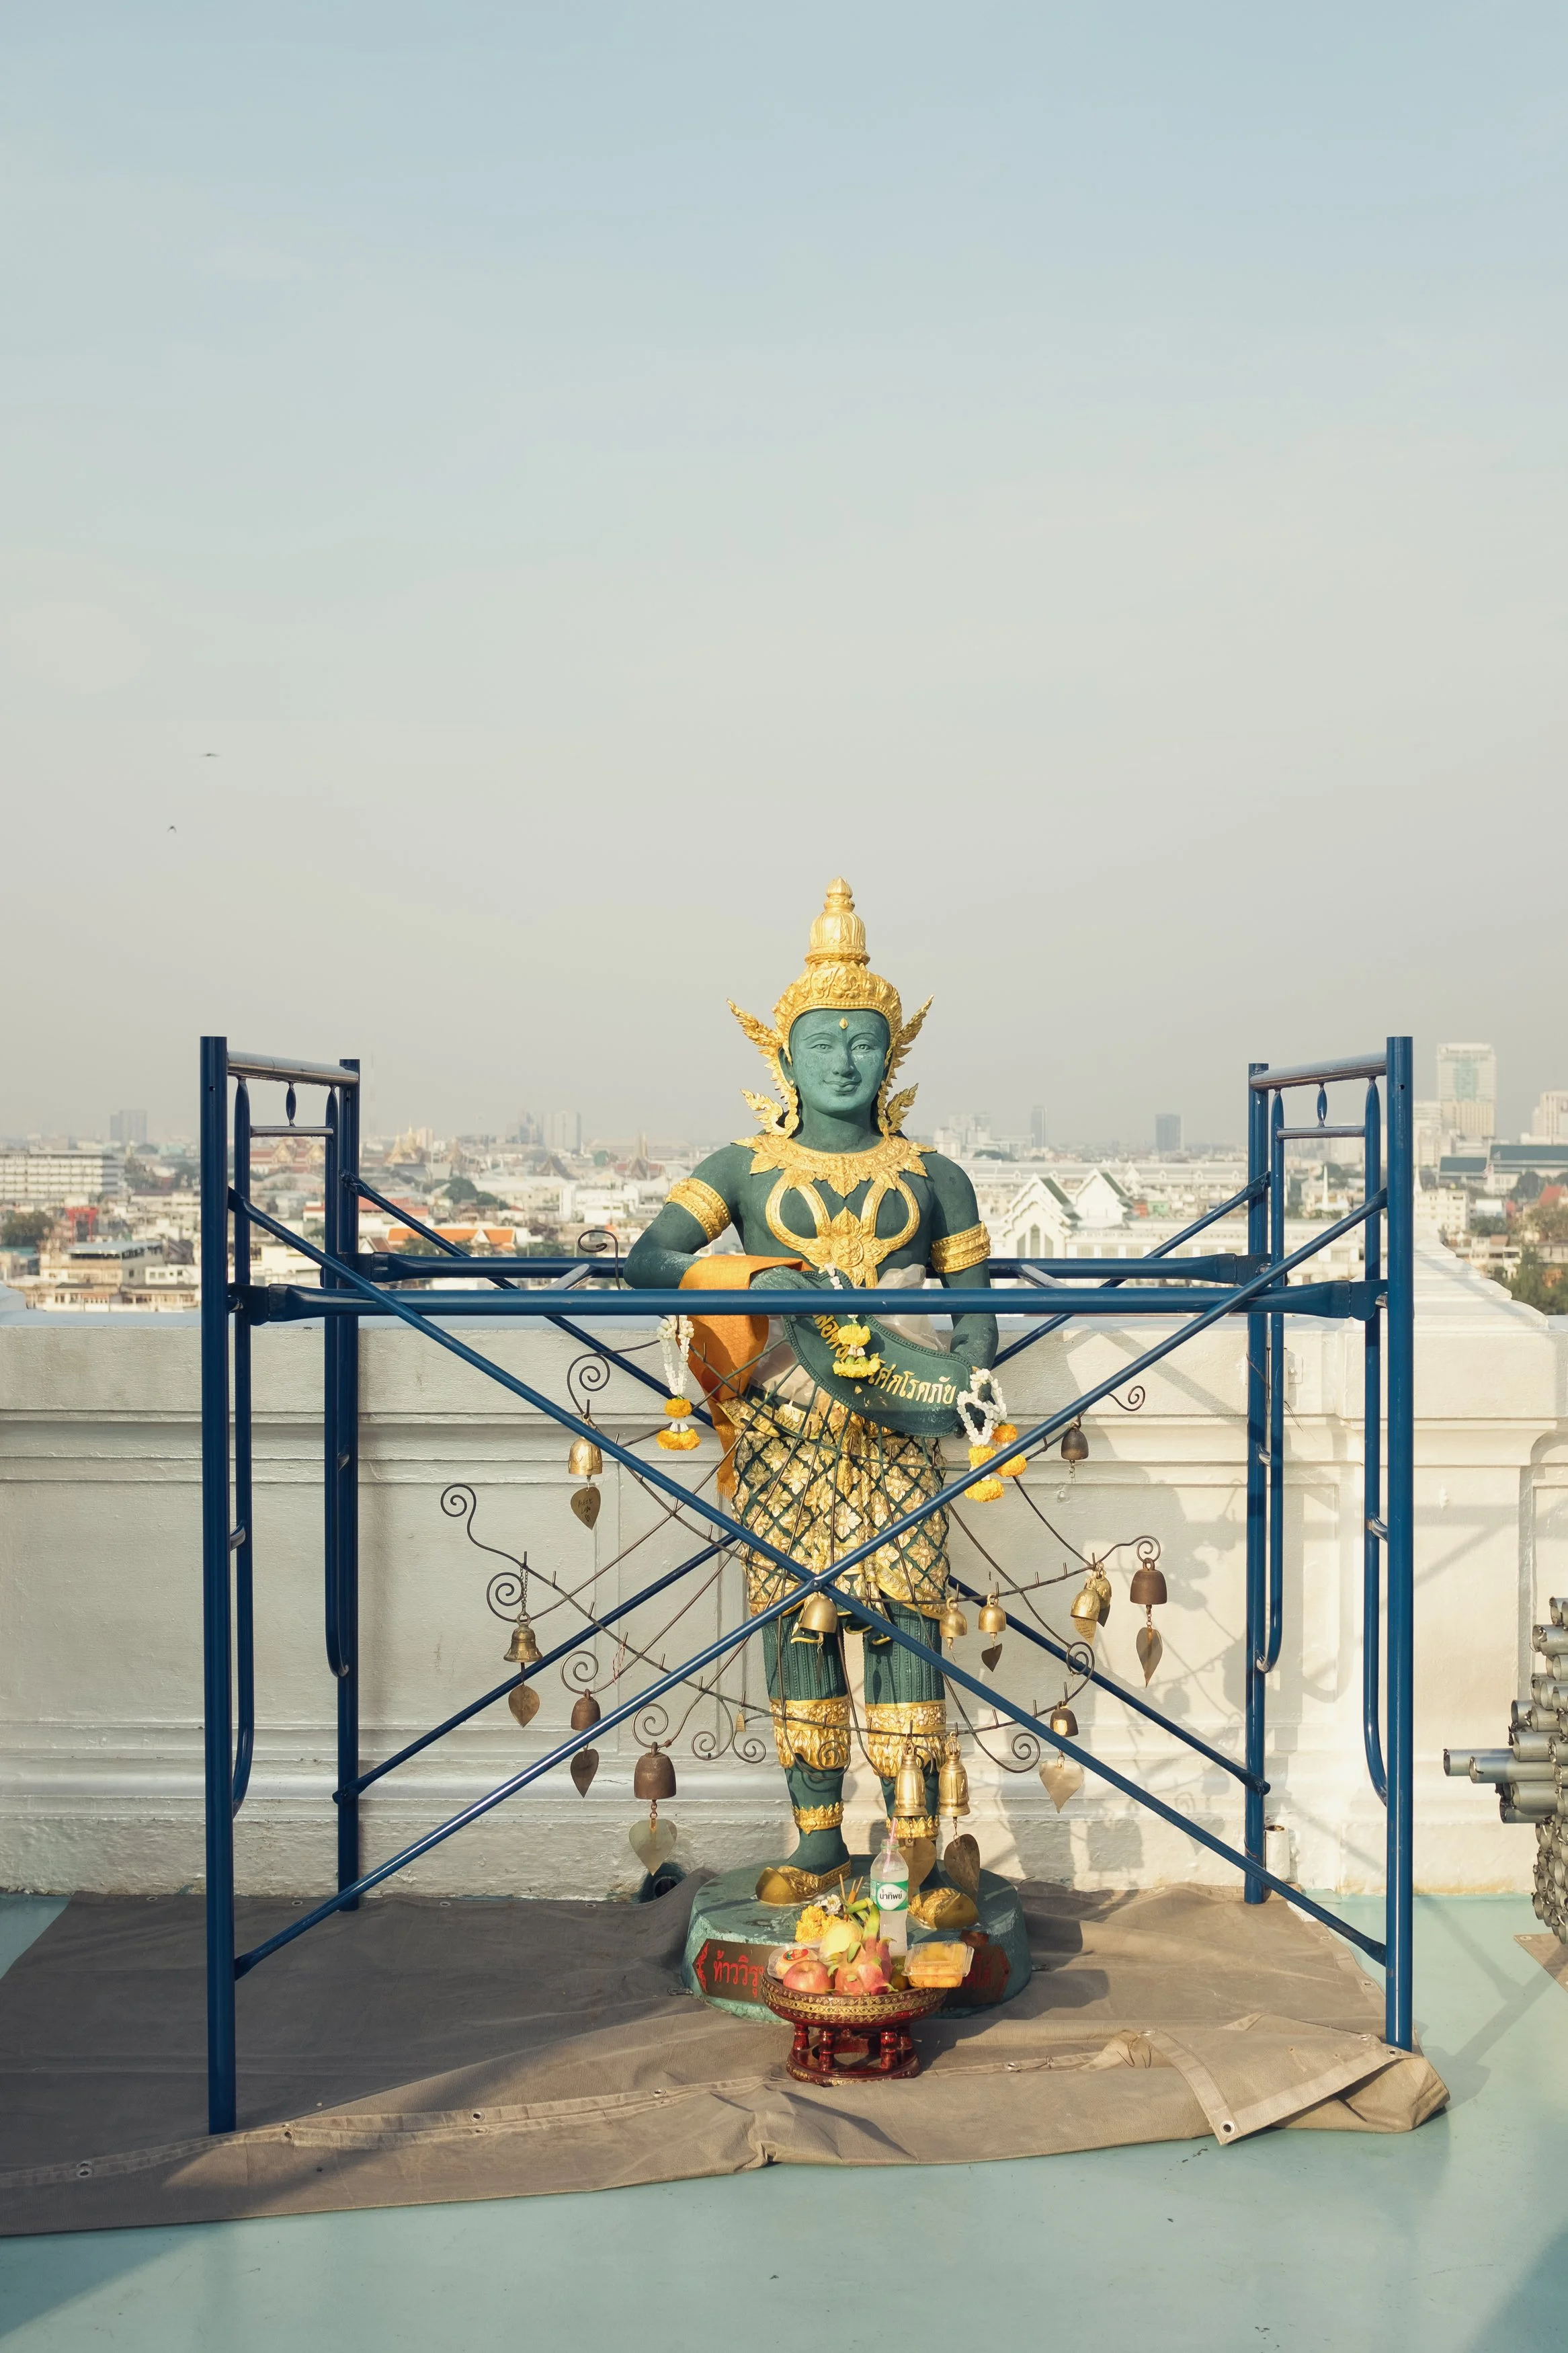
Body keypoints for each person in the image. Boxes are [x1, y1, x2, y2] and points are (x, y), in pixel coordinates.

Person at [625, 880, 998, 1900]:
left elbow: (978, 1312)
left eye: (864, 1042)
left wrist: (960, 1371)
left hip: (898, 1425)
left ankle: (916, 1842)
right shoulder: (744, 1168)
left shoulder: (935, 1176)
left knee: (907, 1624)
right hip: (784, 1430)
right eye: (824, 1041)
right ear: (783, 1055)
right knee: (798, 1621)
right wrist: (757, 1279)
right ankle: (819, 1838)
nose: (844, 1060)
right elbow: (650, 1262)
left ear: (893, 1054)